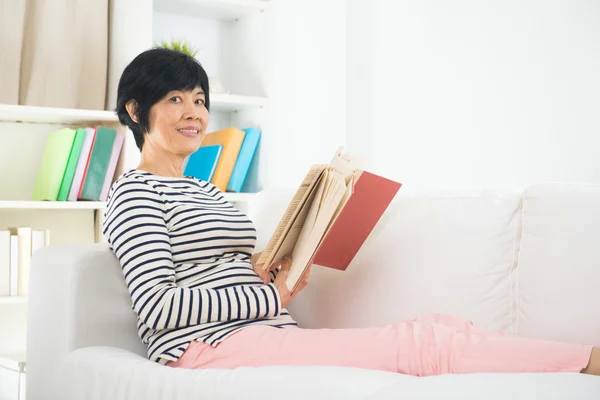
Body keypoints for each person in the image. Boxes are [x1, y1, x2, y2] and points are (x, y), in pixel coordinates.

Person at [102, 47, 600, 376]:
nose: (195, 113)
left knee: (445, 324)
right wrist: (268, 296)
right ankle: (585, 364)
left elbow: (221, 274)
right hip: (203, 351)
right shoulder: (135, 193)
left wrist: (278, 270)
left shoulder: (209, 192)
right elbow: (159, 308)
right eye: (175, 99)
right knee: (425, 343)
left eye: (200, 99)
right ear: (134, 110)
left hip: (259, 335)